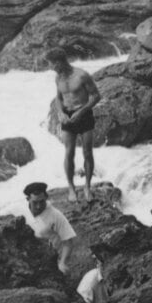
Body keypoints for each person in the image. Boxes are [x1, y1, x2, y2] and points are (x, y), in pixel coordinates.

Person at [23, 181, 103, 303]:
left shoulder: (55, 215)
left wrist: (62, 262)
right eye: (35, 203)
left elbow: (68, 242)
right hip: (25, 257)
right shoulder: (20, 211)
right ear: (28, 199)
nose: (38, 206)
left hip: (49, 260)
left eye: (41, 202)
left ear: (46, 198)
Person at [48, 47, 100, 198]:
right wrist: (60, 113)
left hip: (84, 114)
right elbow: (59, 98)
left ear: (61, 62)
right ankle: (71, 188)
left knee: (87, 152)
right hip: (67, 117)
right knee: (69, 153)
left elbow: (96, 96)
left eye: (52, 64)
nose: (51, 68)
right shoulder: (58, 78)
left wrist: (81, 111)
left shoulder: (82, 75)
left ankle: (87, 187)